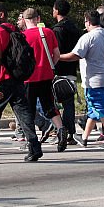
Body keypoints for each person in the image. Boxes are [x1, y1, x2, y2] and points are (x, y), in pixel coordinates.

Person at [0, 3, 43, 162]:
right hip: (17, 79)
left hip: (2, 79)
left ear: (1, 14)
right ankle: (34, 146)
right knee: (24, 114)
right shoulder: (14, 29)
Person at [59, 10, 104, 148]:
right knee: (93, 109)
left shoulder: (88, 37)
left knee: (100, 107)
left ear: (87, 21)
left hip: (94, 79)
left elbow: (75, 55)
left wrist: (57, 57)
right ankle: (85, 138)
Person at [21, 8, 69, 152]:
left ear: (24, 20)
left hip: (29, 78)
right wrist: (51, 66)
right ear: (38, 18)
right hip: (46, 75)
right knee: (49, 105)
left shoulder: (22, 36)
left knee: (28, 110)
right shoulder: (47, 32)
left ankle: (31, 140)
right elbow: (56, 54)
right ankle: (61, 129)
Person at [51, 0, 82, 143]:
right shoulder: (74, 28)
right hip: (72, 68)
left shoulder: (57, 30)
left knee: (55, 102)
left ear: (57, 11)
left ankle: (61, 129)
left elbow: (56, 51)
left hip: (59, 69)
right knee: (69, 102)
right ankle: (70, 131)